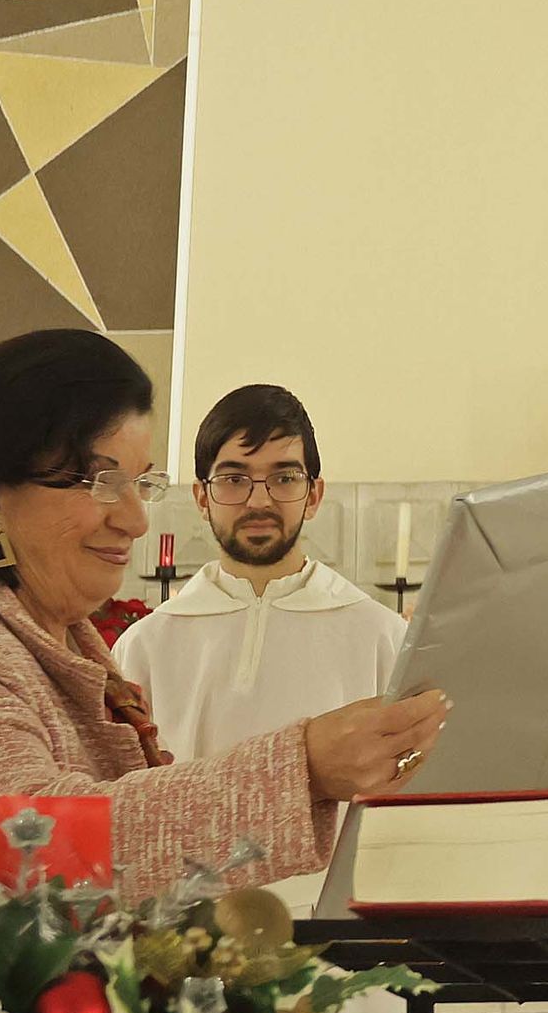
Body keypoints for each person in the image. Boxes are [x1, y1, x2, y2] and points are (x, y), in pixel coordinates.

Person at [0, 331, 446, 965]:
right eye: (99, 481)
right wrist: (301, 769)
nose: (135, 517)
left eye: (141, 482)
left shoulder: (57, 648)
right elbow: (21, 859)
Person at [114, 385, 404, 906]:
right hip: (188, 943)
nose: (259, 499)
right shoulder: (145, 646)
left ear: (313, 495)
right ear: (201, 497)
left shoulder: (383, 636)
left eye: (284, 477)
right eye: (234, 479)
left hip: (340, 943)